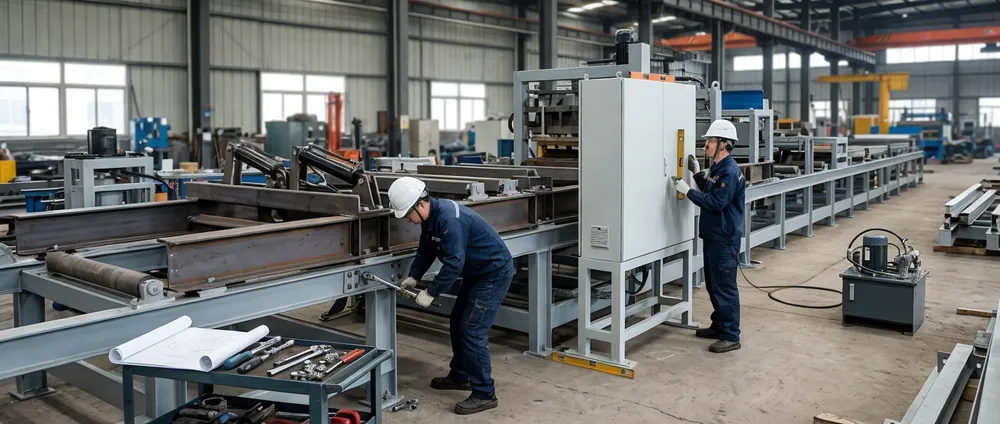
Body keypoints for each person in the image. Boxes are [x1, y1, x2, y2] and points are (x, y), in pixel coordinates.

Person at [386, 176, 514, 415]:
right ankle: (460, 375)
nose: (409, 221)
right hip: (477, 273)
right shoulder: (432, 216)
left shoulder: (448, 219)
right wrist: (414, 275)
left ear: (420, 204)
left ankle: (485, 392)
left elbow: (454, 263)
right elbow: (426, 248)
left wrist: (431, 292)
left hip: (493, 273)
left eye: (407, 215)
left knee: (472, 329)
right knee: (458, 322)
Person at [673, 119, 746, 353]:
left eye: (711, 141)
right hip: (714, 237)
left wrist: (688, 191)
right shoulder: (718, 168)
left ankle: (731, 335)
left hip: (724, 240)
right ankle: (719, 325)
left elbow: (716, 202)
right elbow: (711, 189)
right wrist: (697, 175)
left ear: (724, 144)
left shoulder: (731, 171)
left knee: (725, 287)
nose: (706, 144)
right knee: (714, 285)